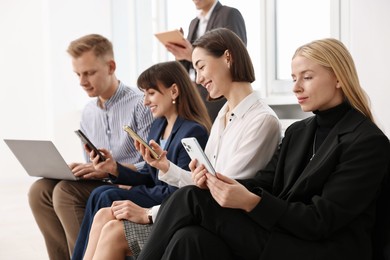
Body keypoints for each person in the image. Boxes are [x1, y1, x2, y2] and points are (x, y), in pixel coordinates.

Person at [137, 37, 390, 260]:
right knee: (190, 238)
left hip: (322, 248)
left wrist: (252, 203)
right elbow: (263, 182)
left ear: (338, 78)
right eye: (293, 78)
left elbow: (320, 220)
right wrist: (217, 183)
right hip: (286, 235)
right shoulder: (298, 132)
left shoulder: (367, 142)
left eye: (307, 77)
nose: (296, 87)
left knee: (191, 198)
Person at [83, 28, 281, 260]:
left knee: (113, 229)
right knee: (108, 219)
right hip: (203, 211)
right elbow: (204, 186)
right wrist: (166, 167)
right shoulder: (224, 114)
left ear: (228, 58)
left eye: (201, 66)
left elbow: (219, 194)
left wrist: (150, 213)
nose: (198, 79)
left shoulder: (262, 120)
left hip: (224, 223)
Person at [27, 34, 154, 260]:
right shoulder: (88, 112)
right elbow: (92, 164)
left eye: (89, 73)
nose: (82, 81)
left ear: (111, 67)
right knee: (39, 191)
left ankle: (87, 255)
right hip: (101, 180)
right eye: (78, 74)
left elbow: (151, 163)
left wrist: (113, 169)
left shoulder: (140, 104)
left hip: (129, 183)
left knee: (65, 193)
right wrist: (81, 170)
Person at [71, 61, 212, 259]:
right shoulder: (158, 127)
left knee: (106, 196)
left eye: (151, 93)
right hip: (158, 193)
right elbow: (148, 172)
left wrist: (132, 191)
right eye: (144, 94)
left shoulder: (192, 131)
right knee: (101, 195)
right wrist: (115, 169)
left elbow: (180, 190)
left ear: (174, 91)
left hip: (169, 200)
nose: (145, 101)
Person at [166, 0, 247, 122]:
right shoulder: (194, 23)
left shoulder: (229, 14)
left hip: (221, 97)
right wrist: (180, 54)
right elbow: (188, 66)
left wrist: (191, 54)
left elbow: (236, 53)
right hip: (199, 96)